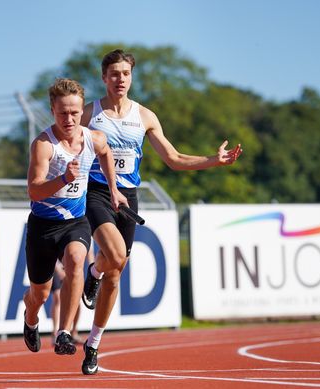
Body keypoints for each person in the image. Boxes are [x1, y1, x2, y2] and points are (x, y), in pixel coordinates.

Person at [79, 49, 243, 375]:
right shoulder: (89, 113)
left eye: (125, 74)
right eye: (114, 74)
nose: (120, 79)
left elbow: (174, 158)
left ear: (131, 77)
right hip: (96, 193)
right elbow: (65, 142)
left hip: (128, 195)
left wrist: (214, 160)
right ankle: (94, 273)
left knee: (116, 270)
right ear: (104, 78)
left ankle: (94, 342)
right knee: (113, 253)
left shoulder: (145, 116)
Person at [22, 78, 127, 356]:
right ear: (52, 111)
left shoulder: (94, 138)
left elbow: (105, 154)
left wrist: (114, 190)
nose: (69, 119)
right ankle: (30, 318)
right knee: (40, 295)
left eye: (74, 113)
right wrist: (63, 179)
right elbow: (34, 190)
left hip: (75, 221)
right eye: (62, 113)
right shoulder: (44, 144)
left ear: (82, 111)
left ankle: (64, 332)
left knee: (78, 261)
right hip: (43, 226)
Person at [50, 246, 95, 344]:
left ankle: (73, 332)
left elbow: (90, 254)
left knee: (76, 299)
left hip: (73, 267)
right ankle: (55, 333)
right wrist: (59, 270)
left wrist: (93, 275)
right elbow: (51, 251)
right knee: (57, 297)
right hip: (57, 264)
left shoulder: (87, 232)